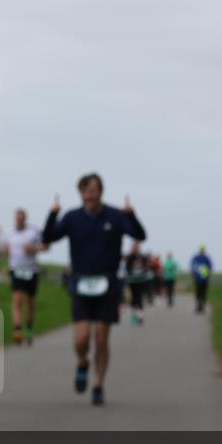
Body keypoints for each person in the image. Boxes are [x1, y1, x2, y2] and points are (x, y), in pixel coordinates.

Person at [42, 173, 146, 406]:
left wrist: (132, 215)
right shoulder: (72, 217)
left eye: (94, 190)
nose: (90, 194)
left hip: (107, 283)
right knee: (81, 339)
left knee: (101, 339)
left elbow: (140, 235)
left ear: (101, 192)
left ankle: (98, 384)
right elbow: (48, 236)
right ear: (80, 194)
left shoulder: (115, 216)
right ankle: (82, 363)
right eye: (85, 190)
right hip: (81, 282)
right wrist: (53, 213)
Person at [2, 208, 46, 345]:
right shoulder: (9, 233)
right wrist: (4, 258)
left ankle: (29, 327)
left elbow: (45, 246)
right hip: (16, 270)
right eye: (17, 218)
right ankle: (17, 329)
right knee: (17, 299)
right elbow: (5, 250)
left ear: (25, 218)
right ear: (15, 219)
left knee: (30, 302)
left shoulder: (33, 232)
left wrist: (33, 249)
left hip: (31, 271)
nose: (19, 220)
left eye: (22, 218)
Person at [124, 242, 150, 325]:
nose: (135, 248)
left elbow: (146, 267)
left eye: (136, 247)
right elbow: (127, 268)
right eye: (133, 247)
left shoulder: (143, 257)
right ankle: (134, 316)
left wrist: (143, 271)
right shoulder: (130, 257)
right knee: (133, 298)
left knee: (139, 298)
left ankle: (140, 317)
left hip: (141, 280)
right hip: (132, 281)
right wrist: (131, 272)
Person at [190, 245, 213, 314]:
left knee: (204, 293)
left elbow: (210, 266)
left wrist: (208, 274)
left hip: (205, 278)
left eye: (203, 249)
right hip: (197, 278)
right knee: (198, 293)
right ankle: (198, 306)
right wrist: (193, 272)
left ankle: (202, 306)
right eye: (201, 249)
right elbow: (192, 265)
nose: (202, 250)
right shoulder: (196, 257)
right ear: (199, 250)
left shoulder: (206, 258)